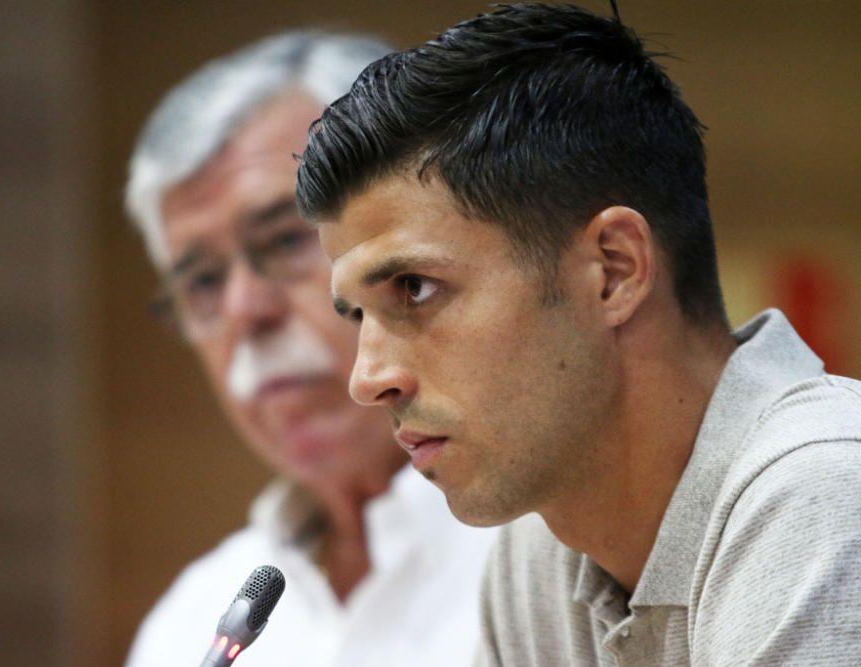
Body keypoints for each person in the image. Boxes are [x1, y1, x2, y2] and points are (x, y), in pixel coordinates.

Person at [296, 3, 861, 665]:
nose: (367, 380)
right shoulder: (538, 556)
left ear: (613, 271)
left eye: (414, 288)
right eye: (356, 314)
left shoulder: (824, 494)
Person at [122, 32, 497, 667]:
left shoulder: (562, 544)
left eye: (286, 241)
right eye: (204, 282)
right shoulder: (191, 624)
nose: (246, 311)